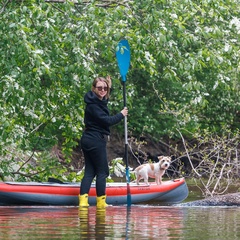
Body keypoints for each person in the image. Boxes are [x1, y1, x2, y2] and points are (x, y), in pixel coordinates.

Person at [79, 76, 128, 208]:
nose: (103, 90)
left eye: (105, 88)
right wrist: (121, 114)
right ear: (93, 88)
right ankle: (101, 202)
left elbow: (103, 102)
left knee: (90, 171)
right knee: (102, 172)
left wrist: (109, 85)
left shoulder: (95, 101)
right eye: (99, 88)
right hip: (95, 140)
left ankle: (83, 202)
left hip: (88, 139)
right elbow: (107, 120)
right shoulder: (93, 106)